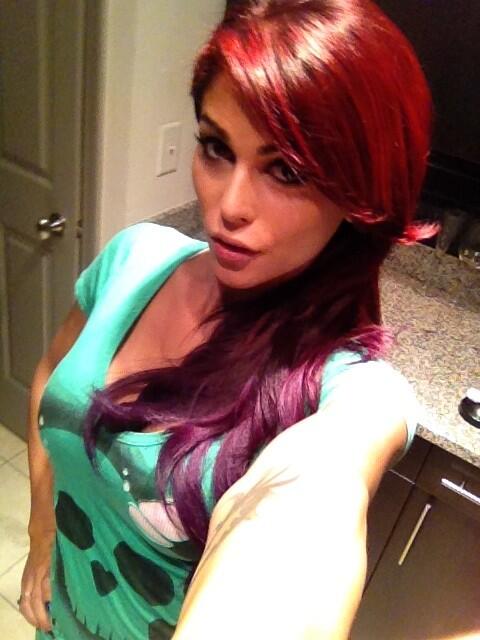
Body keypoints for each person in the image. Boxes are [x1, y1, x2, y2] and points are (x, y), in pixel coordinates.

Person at [20, 1, 436, 638]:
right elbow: (51, 373)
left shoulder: (344, 389)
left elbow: (323, 479)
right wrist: (42, 530)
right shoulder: (135, 259)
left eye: (286, 171)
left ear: (360, 195)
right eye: (216, 148)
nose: (229, 206)